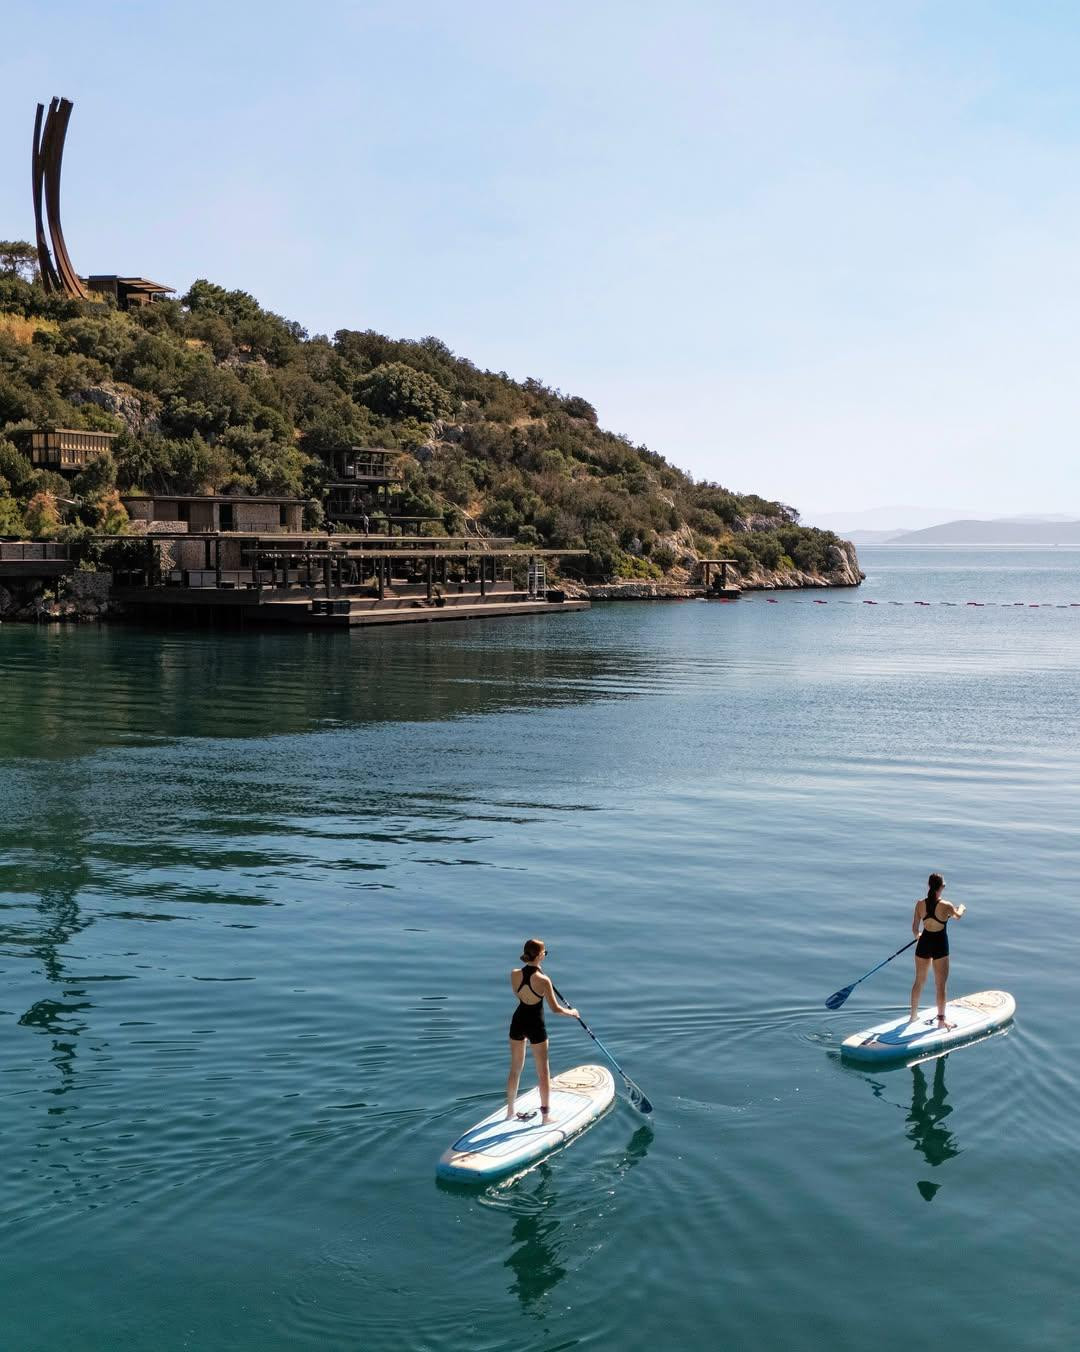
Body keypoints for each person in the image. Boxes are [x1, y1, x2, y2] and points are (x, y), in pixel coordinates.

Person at [506, 938, 579, 1121]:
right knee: (543, 1073)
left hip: (518, 1021)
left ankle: (509, 1112)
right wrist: (572, 1012)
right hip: (535, 1025)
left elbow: (520, 994)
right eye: (544, 952)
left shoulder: (514, 974)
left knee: (515, 1069)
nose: (545, 955)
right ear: (540, 955)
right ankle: (546, 1117)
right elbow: (555, 1009)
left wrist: (536, 971)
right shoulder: (544, 980)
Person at [909, 873, 966, 1026]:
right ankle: (941, 1021)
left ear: (929, 886)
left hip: (924, 944)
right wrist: (962, 907)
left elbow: (915, 928)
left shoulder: (920, 904)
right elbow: (958, 916)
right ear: (941, 887)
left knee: (919, 982)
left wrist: (918, 935)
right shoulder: (946, 905)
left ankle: (913, 1016)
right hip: (939, 945)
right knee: (940, 984)